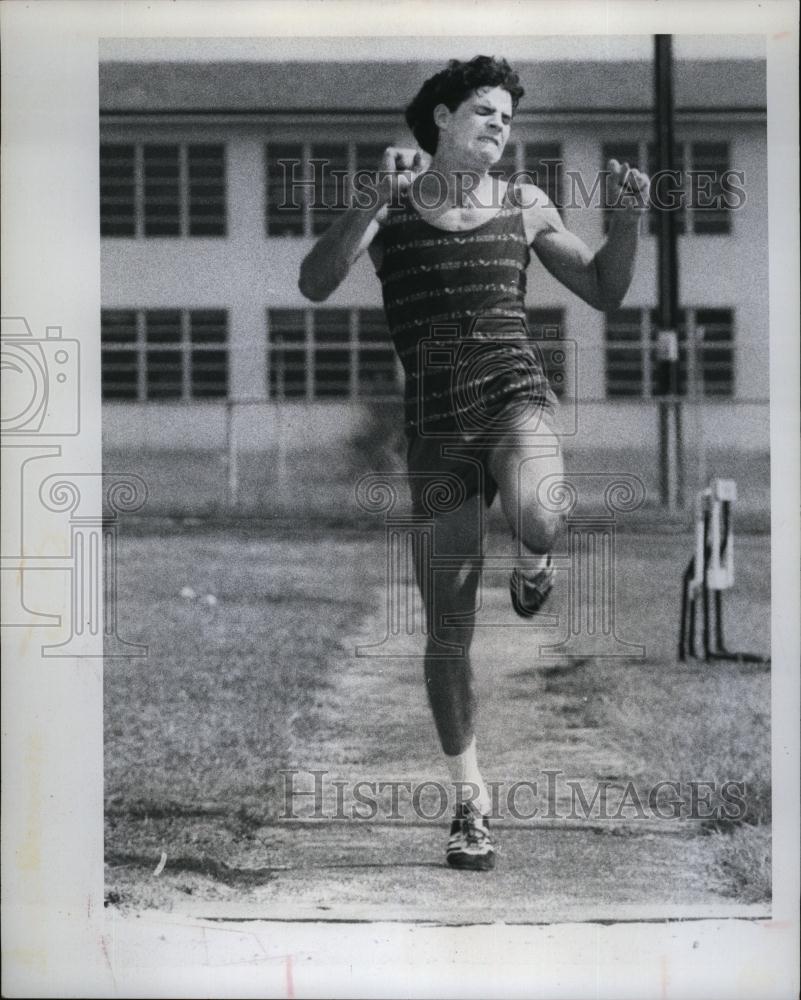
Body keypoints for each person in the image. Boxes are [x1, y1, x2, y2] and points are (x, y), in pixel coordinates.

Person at [299, 55, 649, 871]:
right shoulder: (389, 209)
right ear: (443, 121)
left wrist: (626, 221)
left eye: (506, 117)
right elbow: (314, 283)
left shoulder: (523, 204)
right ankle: (470, 802)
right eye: (485, 112)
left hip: (512, 394)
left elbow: (602, 289)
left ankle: (533, 568)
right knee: (448, 629)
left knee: (539, 509)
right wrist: (362, 205)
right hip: (435, 425)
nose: (500, 126)